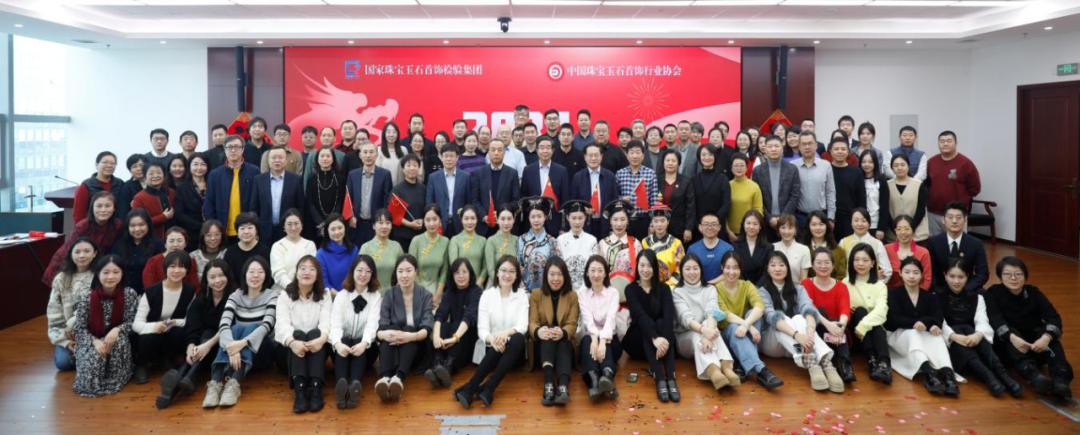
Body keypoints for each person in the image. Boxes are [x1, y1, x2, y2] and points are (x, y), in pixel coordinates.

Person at [985, 256, 1073, 400]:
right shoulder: (993, 293)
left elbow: (1054, 318)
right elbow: (995, 319)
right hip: (1010, 345)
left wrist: (1046, 338)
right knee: (1010, 332)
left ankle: (1061, 379)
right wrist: (1012, 338)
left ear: (1025, 276)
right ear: (1000, 276)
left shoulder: (1034, 292)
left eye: (1018, 274)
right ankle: (1034, 376)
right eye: (1007, 274)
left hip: (1035, 345)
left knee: (1048, 334)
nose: (1013, 278)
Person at [757, 251, 844, 393]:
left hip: (797, 346)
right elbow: (771, 316)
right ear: (767, 268)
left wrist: (809, 332)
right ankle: (812, 364)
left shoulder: (798, 288)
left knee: (799, 318)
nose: (777, 269)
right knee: (783, 318)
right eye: (773, 265)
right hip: (773, 345)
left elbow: (808, 308)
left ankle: (825, 364)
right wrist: (798, 336)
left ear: (788, 267)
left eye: (781, 265)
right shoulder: (762, 292)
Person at [935, 257, 1023, 397]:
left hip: (971, 340)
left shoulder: (977, 297)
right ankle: (988, 375)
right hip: (951, 343)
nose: (956, 281)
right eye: (952, 276)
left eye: (961, 277)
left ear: (967, 277)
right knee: (959, 329)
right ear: (945, 275)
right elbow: (939, 322)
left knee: (971, 329)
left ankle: (1002, 373)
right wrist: (954, 336)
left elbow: (982, 320)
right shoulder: (936, 296)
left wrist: (978, 335)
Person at [454, 255, 529, 409]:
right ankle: (485, 389)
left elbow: (523, 326)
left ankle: (476, 387)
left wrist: (505, 334)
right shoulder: (487, 295)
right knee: (497, 344)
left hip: (515, 352)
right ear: (497, 273)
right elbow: (482, 330)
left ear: (517, 275)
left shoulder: (522, 295)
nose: (507, 275)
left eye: (512, 271)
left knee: (518, 338)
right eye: (503, 270)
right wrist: (493, 340)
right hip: (492, 350)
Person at [203, 256, 278, 408]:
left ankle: (234, 384)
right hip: (236, 354)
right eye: (251, 272)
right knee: (234, 328)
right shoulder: (235, 295)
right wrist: (232, 348)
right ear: (245, 274)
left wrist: (241, 344)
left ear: (266, 275)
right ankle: (215, 383)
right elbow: (224, 324)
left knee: (252, 327)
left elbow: (267, 325)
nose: (255, 275)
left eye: (260, 272)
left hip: (263, 351)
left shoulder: (272, 295)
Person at [156, 259, 232, 409]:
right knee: (203, 336)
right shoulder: (201, 297)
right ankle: (186, 379)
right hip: (201, 347)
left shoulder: (235, 296)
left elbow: (230, 326)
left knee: (209, 334)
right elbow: (192, 324)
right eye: (212, 277)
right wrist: (190, 347)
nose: (217, 280)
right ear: (206, 280)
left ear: (228, 276)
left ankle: (184, 376)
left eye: (221, 275)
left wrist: (207, 345)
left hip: (224, 345)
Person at [885, 257, 959, 396]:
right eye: (907, 272)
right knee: (913, 333)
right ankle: (928, 373)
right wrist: (917, 324)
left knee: (936, 336)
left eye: (916, 272)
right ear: (900, 273)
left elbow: (938, 317)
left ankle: (948, 374)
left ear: (922, 275)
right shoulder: (892, 293)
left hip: (923, 335)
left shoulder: (930, 296)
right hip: (898, 337)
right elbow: (892, 319)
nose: (911, 276)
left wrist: (929, 324)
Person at [72, 255, 138, 397]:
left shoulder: (129, 294)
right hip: (92, 339)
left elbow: (132, 321)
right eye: (106, 272)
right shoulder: (87, 296)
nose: (110, 277)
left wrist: (117, 329)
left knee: (118, 341)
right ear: (98, 274)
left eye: (116, 272)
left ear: (122, 273)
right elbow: (79, 328)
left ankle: (115, 378)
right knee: (94, 360)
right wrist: (95, 342)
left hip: (117, 339)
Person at [716, 251, 784, 389]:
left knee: (752, 313)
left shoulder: (747, 285)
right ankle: (762, 370)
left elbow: (760, 305)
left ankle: (742, 365)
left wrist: (747, 324)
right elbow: (725, 314)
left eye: (735, 268)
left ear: (740, 269)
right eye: (728, 267)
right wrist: (748, 326)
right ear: (722, 268)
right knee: (734, 327)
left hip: (747, 336)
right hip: (727, 338)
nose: (731, 272)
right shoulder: (716, 289)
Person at [673, 254, 739, 391]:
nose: (692, 272)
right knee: (697, 333)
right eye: (688, 269)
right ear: (681, 271)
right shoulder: (677, 292)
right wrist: (705, 332)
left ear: (701, 270)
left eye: (695, 268)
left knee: (711, 325)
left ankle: (726, 368)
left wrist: (708, 335)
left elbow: (712, 312)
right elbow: (686, 319)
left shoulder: (710, 289)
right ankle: (713, 370)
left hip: (706, 334)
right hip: (684, 339)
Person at [275, 256, 332, 413]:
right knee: (298, 333)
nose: (307, 272)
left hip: (316, 350)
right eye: (303, 268)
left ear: (317, 274)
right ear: (296, 273)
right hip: (289, 353)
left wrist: (321, 340)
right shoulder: (285, 295)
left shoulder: (325, 294)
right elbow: (282, 325)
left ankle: (315, 387)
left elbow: (326, 322)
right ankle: (299, 389)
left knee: (316, 332)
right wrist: (292, 343)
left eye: (312, 269)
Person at [375, 255, 434, 402]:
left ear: (416, 272)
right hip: (393, 346)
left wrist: (410, 336)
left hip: (416, 349)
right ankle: (386, 378)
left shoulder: (426, 295)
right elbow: (381, 327)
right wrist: (385, 334)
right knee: (392, 328)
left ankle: (398, 378)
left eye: (408, 271)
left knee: (409, 328)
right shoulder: (389, 294)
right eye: (400, 271)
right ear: (396, 273)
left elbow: (427, 328)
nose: (404, 275)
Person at [133, 250, 197, 385]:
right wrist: (154, 327)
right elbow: (136, 324)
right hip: (150, 334)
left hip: (171, 333)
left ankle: (166, 360)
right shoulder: (151, 292)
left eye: (182, 267)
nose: (177, 271)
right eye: (172, 266)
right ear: (165, 268)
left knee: (178, 331)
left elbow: (191, 320)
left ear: (187, 270)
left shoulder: (190, 291)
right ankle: (141, 365)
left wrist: (174, 322)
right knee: (148, 335)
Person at [625, 250, 681, 402]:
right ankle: (659, 378)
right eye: (642, 265)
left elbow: (669, 316)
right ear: (637, 267)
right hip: (638, 340)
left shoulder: (664, 289)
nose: (645, 269)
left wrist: (662, 340)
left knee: (662, 322)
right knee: (647, 323)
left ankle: (671, 378)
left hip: (662, 342)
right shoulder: (630, 289)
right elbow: (639, 315)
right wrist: (654, 338)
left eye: (649, 266)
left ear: (655, 268)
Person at [329, 255, 382, 410]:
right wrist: (338, 345)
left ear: (372, 274)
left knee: (359, 340)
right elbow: (335, 325)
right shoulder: (341, 296)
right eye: (359, 270)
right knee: (344, 339)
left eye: (368, 271)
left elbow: (372, 325)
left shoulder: (376, 297)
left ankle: (355, 386)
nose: (363, 274)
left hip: (365, 350)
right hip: (342, 350)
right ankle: (341, 387)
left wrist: (364, 344)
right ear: (352, 272)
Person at [527, 257, 579, 406]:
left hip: (564, 344)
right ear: (546, 275)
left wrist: (563, 333)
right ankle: (548, 383)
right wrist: (539, 332)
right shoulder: (536, 294)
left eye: (560, 274)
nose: (556, 278)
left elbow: (572, 324)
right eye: (552, 274)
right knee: (548, 329)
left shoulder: (572, 296)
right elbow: (532, 322)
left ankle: (563, 387)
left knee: (563, 340)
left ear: (565, 276)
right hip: (543, 346)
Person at [44, 191, 123, 286]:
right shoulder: (82, 226)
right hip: (69, 264)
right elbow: (71, 253)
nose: (103, 210)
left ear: (114, 208)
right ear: (92, 208)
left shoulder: (117, 225)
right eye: (99, 206)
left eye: (108, 206)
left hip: (94, 265)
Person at [426, 259, 482, 388]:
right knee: (444, 325)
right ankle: (438, 364)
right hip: (451, 341)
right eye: (457, 272)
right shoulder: (449, 292)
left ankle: (448, 367)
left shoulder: (477, 292)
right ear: (452, 275)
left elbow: (468, 317)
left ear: (470, 274)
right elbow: (440, 314)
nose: (461, 276)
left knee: (456, 323)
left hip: (466, 340)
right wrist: (436, 336)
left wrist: (455, 338)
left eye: (464, 272)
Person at [803, 248, 855, 382]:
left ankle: (845, 364)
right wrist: (829, 325)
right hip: (817, 331)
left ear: (833, 265)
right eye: (819, 262)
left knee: (834, 320)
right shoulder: (806, 283)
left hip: (839, 334)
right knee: (819, 311)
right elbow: (810, 308)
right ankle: (833, 362)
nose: (823, 266)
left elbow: (845, 311)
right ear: (812, 265)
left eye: (827, 262)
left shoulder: (841, 286)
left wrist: (839, 329)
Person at [47, 237, 99, 372]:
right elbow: (53, 311)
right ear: (71, 254)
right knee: (63, 363)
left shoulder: (100, 275)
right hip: (68, 334)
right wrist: (65, 341)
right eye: (77, 252)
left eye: (87, 251)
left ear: (95, 253)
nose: (82, 255)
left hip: (93, 332)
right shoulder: (61, 278)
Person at [844, 243, 893, 383]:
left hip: (872, 334)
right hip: (854, 335)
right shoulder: (845, 283)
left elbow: (881, 311)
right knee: (860, 311)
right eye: (856, 259)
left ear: (872, 263)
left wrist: (863, 326)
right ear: (851, 262)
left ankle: (882, 364)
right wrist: (847, 309)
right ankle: (875, 361)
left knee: (875, 323)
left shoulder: (879, 285)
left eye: (865, 260)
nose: (860, 264)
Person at [204, 135, 259, 243]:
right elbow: (209, 202)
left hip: (246, 229)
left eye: (237, 147)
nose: (233, 150)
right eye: (229, 147)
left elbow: (257, 201)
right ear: (224, 150)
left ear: (242, 149)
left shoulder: (254, 171)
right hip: (222, 229)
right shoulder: (215, 174)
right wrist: (213, 227)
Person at [927, 131, 981, 237]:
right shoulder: (931, 162)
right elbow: (925, 185)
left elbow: (975, 188)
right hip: (933, 213)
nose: (945, 144)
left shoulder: (966, 163)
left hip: (956, 214)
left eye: (949, 141)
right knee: (934, 243)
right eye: (942, 141)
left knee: (957, 243)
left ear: (956, 143)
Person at [927, 201, 989, 292]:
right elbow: (931, 273)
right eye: (950, 217)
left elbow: (983, 273)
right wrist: (940, 292)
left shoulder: (976, 244)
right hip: (941, 289)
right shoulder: (933, 242)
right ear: (943, 220)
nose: (954, 221)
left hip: (967, 288)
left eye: (958, 217)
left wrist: (965, 290)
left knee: (983, 294)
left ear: (965, 220)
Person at [752, 135, 801, 242]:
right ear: (765, 150)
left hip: (788, 222)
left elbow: (795, 196)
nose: (773, 149)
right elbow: (757, 198)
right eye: (770, 146)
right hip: (765, 221)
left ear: (782, 148)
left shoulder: (792, 169)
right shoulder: (757, 171)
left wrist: (783, 218)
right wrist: (769, 218)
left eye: (776, 146)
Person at [252, 147, 306, 245]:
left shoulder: (296, 180)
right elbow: (254, 207)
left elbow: (301, 207)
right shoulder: (258, 180)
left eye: (280, 157)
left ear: (286, 160)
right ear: (268, 161)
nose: (277, 160)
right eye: (273, 158)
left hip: (288, 231)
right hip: (264, 231)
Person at [521, 136, 570, 236]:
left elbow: (565, 200)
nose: (545, 151)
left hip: (555, 222)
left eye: (548, 148)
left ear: (553, 150)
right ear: (537, 150)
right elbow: (524, 197)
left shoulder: (561, 171)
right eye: (542, 147)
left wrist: (563, 227)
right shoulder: (528, 170)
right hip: (534, 222)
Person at [110, 209, 164, 295]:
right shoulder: (119, 245)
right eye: (132, 225)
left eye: (141, 225)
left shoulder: (159, 245)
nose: (137, 229)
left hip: (148, 293)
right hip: (121, 293)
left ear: (148, 225)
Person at [571, 143, 620, 237]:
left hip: (605, 223)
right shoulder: (578, 177)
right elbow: (573, 202)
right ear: (585, 157)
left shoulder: (610, 176)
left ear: (601, 156)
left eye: (596, 155)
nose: (593, 158)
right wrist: (582, 209)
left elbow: (614, 201)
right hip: (584, 224)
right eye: (590, 155)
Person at [475, 139, 521, 238]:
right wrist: (484, 216)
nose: (496, 153)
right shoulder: (479, 173)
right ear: (488, 153)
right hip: (484, 227)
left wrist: (502, 213)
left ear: (504, 153)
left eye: (499, 150)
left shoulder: (512, 173)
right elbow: (474, 199)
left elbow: (516, 200)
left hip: (506, 225)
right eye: (493, 150)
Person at [426, 144, 474, 239]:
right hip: (439, 224)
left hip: (460, 224)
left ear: (457, 158)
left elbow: (469, 202)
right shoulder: (433, 177)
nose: (449, 159)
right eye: (446, 156)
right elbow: (429, 202)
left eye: (452, 156)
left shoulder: (466, 177)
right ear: (441, 157)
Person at [615, 141, 659, 240]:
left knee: (642, 247)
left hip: (643, 220)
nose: (635, 156)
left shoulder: (650, 174)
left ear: (643, 156)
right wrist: (621, 199)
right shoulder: (620, 174)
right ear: (627, 155)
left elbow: (654, 202)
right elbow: (614, 197)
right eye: (632, 152)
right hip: (624, 220)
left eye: (638, 152)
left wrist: (652, 224)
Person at [794, 132, 837, 235]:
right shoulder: (793, 166)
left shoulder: (826, 165)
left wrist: (830, 218)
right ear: (799, 146)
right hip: (800, 217)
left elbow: (830, 192)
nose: (807, 147)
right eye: (804, 144)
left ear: (816, 145)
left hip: (821, 217)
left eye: (810, 143)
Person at [597, 199, 642, 296]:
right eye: (615, 219)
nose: (619, 224)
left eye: (623, 219)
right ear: (610, 221)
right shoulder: (602, 243)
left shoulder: (636, 243)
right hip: (607, 291)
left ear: (628, 221)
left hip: (632, 292)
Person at [517, 196, 561, 293]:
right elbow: (517, 267)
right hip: (525, 292)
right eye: (533, 217)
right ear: (528, 218)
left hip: (547, 291)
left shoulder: (552, 241)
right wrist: (523, 292)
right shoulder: (521, 240)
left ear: (545, 217)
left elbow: (558, 268)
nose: (536, 220)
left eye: (539, 216)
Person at [839, 208, 894, 282]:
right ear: (851, 223)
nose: (860, 224)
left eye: (863, 221)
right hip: (849, 284)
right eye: (856, 220)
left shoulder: (877, 244)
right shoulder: (843, 242)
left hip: (870, 286)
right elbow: (838, 268)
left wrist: (875, 284)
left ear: (869, 224)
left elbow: (887, 271)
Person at [270, 209, 318, 292]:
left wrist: (302, 290)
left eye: (296, 223)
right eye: (289, 224)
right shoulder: (278, 246)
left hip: (306, 291)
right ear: (284, 226)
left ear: (302, 225)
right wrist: (292, 288)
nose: (293, 227)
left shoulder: (309, 245)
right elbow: (278, 273)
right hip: (281, 292)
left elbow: (312, 270)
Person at [691, 144, 732, 238]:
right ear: (699, 157)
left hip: (718, 227)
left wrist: (714, 222)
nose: (707, 157)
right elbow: (691, 205)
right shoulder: (693, 180)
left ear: (715, 157)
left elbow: (726, 203)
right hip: (699, 228)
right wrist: (698, 224)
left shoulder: (723, 179)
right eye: (703, 154)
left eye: (710, 154)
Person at [305, 147, 347, 243]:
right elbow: (310, 203)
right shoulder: (311, 179)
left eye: (328, 156)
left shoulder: (340, 179)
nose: (325, 159)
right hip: (315, 223)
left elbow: (340, 202)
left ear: (333, 159)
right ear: (317, 159)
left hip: (335, 223)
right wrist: (320, 223)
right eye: (322, 156)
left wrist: (331, 222)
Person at [409, 205, 450, 300]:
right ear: (423, 221)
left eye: (435, 219)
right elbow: (410, 268)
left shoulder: (445, 241)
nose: (432, 224)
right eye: (428, 220)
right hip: (416, 289)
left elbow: (444, 270)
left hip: (436, 290)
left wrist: (438, 293)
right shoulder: (416, 241)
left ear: (440, 220)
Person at [828, 139, 867, 240]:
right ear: (831, 151)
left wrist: (859, 219)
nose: (840, 151)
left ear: (848, 151)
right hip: (830, 218)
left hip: (850, 219)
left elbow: (861, 199)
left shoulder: (856, 171)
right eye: (836, 149)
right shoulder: (826, 169)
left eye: (843, 149)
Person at [886, 153, 929, 243]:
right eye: (896, 165)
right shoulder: (886, 185)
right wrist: (896, 229)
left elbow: (921, 210)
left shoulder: (918, 185)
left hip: (917, 236)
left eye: (903, 165)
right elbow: (885, 211)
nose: (899, 168)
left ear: (908, 166)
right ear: (892, 168)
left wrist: (910, 228)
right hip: (893, 236)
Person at [360, 209, 405, 293]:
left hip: (392, 294)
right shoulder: (366, 247)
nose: (384, 226)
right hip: (370, 293)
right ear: (373, 226)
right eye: (380, 223)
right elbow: (360, 274)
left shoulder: (396, 246)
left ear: (391, 226)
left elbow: (404, 270)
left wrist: (396, 290)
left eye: (388, 223)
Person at [557, 200, 598, 291]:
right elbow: (558, 267)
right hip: (565, 288)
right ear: (567, 217)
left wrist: (583, 290)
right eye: (574, 218)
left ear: (585, 217)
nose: (577, 222)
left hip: (587, 288)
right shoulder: (560, 240)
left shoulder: (592, 240)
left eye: (580, 218)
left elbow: (593, 267)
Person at [657, 149, 696, 243]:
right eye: (667, 160)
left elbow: (691, 207)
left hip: (680, 227)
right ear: (663, 162)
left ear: (679, 163)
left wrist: (688, 228)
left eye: (673, 161)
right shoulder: (657, 180)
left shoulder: (686, 182)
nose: (670, 163)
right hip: (659, 226)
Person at [389, 154, 426, 250]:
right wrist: (410, 224)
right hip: (402, 236)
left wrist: (423, 220)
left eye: (415, 165)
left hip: (421, 236)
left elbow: (427, 209)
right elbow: (393, 214)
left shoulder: (424, 189)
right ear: (403, 169)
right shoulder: (397, 190)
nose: (412, 168)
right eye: (408, 165)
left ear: (419, 168)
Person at [174, 153, 210, 250]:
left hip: (211, 231)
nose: (199, 167)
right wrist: (200, 226)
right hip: (191, 233)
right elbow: (179, 214)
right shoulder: (182, 188)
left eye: (203, 164)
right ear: (189, 166)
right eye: (195, 164)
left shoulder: (213, 185)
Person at [222, 213, 272, 284]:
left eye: (250, 228)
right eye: (242, 228)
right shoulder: (230, 253)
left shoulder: (265, 251)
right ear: (237, 232)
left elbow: (269, 277)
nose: (246, 232)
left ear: (256, 230)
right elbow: (228, 278)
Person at [642, 204, 685, 287]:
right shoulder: (645, 242)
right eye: (656, 221)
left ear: (668, 221)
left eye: (662, 221)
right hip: (649, 285)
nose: (659, 224)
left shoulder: (676, 243)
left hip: (671, 286)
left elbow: (680, 268)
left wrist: (667, 285)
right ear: (652, 222)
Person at [73, 151, 120, 225]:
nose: (109, 165)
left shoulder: (120, 183)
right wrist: (81, 229)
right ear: (97, 164)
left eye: (112, 163)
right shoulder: (86, 186)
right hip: (92, 228)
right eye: (105, 162)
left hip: (115, 227)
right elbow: (79, 214)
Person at [886, 215, 932, 290]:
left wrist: (919, 295)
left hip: (916, 293)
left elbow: (926, 279)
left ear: (913, 230)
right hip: (891, 293)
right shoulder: (886, 249)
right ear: (895, 231)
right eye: (899, 229)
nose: (903, 232)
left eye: (907, 229)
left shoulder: (923, 252)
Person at [131, 163, 176, 240]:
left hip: (175, 237)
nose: (155, 176)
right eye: (151, 173)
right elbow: (139, 222)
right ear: (145, 177)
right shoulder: (139, 198)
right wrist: (163, 217)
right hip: (152, 239)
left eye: (159, 172)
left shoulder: (172, 192)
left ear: (164, 175)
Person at [317, 214, 358, 295]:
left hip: (353, 294)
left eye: (340, 228)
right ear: (327, 231)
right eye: (333, 229)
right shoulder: (321, 254)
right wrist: (340, 298)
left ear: (345, 228)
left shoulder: (354, 250)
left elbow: (357, 277)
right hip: (330, 297)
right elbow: (324, 283)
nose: (337, 232)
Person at [449, 205, 488, 287]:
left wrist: (478, 284)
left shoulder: (483, 241)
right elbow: (454, 266)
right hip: (460, 286)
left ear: (477, 220)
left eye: (473, 218)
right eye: (466, 219)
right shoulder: (455, 240)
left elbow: (485, 267)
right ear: (461, 220)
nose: (469, 222)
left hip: (477, 287)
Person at [727, 153, 762, 242]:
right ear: (731, 168)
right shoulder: (727, 186)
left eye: (742, 165)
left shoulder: (754, 186)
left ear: (747, 167)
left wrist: (752, 228)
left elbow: (758, 210)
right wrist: (728, 231)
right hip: (730, 233)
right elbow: (723, 211)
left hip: (750, 232)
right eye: (736, 165)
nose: (739, 168)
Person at [733, 210, 773, 286]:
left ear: (760, 226)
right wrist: (746, 288)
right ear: (743, 225)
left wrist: (756, 288)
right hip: (741, 287)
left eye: (755, 224)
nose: (751, 227)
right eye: (748, 223)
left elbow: (767, 271)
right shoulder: (735, 246)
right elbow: (735, 269)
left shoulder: (769, 247)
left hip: (762, 288)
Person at [859, 149, 892, 241]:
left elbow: (884, 206)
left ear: (875, 163)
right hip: (860, 224)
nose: (867, 164)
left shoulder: (881, 181)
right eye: (864, 162)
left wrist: (881, 228)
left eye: (870, 162)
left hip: (876, 225)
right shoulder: (857, 179)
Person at [804, 210, 846, 281]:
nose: (818, 228)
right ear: (808, 227)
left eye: (821, 224)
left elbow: (841, 276)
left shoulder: (839, 250)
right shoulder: (803, 249)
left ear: (827, 226)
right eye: (814, 224)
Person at [772, 214, 811, 283]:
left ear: (795, 230)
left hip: (796, 288)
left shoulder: (804, 250)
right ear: (778, 230)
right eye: (783, 228)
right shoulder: (772, 247)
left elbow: (803, 279)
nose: (786, 231)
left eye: (790, 228)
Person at [117, 154, 148, 221]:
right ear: (130, 170)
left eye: (141, 165)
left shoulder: (154, 183)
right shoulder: (126, 187)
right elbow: (123, 211)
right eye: (134, 166)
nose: (139, 169)